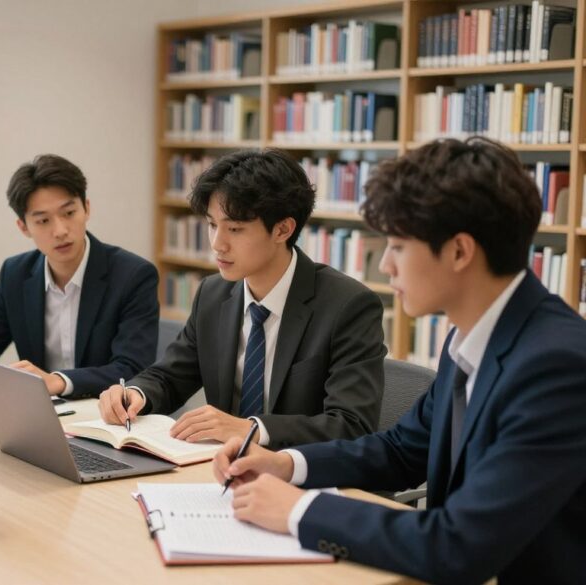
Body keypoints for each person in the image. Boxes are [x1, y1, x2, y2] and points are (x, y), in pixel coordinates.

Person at [212, 137, 586, 584]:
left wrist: (300, 511)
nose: (385, 266)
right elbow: (401, 449)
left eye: (398, 246)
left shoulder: (558, 367)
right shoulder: (471, 335)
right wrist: (285, 463)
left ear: (460, 251)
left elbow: (459, 545)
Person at [99, 149, 386, 446]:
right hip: (222, 470)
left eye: (234, 229)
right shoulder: (213, 293)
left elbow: (351, 425)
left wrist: (251, 429)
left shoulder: (347, 306)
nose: (217, 244)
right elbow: (171, 377)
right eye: (212, 225)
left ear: (283, 229)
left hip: (300, 477)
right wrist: (135, 394)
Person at [0, 154, 159, 398]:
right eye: (43, 220)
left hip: (106, 415)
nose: (60, 231)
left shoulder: (133, 276)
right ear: (24, 227)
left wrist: (60, 381)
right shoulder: (15, 273)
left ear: (86, 208)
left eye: (68, 213)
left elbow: (131, 368)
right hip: (41, 414)